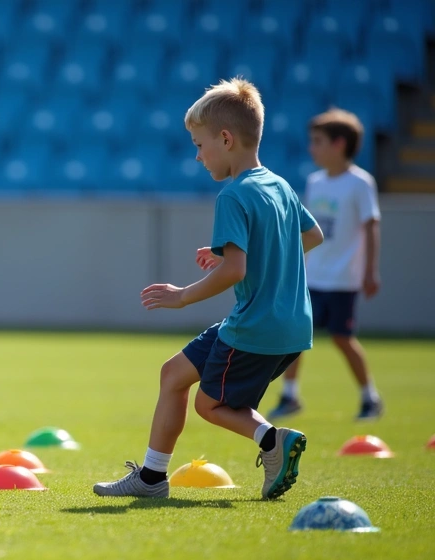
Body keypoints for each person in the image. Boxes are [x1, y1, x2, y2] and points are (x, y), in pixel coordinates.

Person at [94, 78, 324, 501]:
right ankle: (150, 478)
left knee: (210, 404)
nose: (198, 156)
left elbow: (235, 272)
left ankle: (273, 440)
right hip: (290, 322)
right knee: (173, 374)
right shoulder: (280, 186)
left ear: (226, 138)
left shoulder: (233, 196)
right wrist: (250, 257)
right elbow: (312, 237)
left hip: (256, 324)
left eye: (200, 145)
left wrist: (182, 295)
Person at [269, 108, 384, 421]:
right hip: (312, 275)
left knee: (342, 339)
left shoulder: (360, 183)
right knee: (294, 334)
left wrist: (370, 271)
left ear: (339, 144)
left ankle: (369, 397)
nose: (311, 148)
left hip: (342, 278)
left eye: (317, 141)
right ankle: (290, 396)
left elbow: (371, 225)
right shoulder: (315, 182)